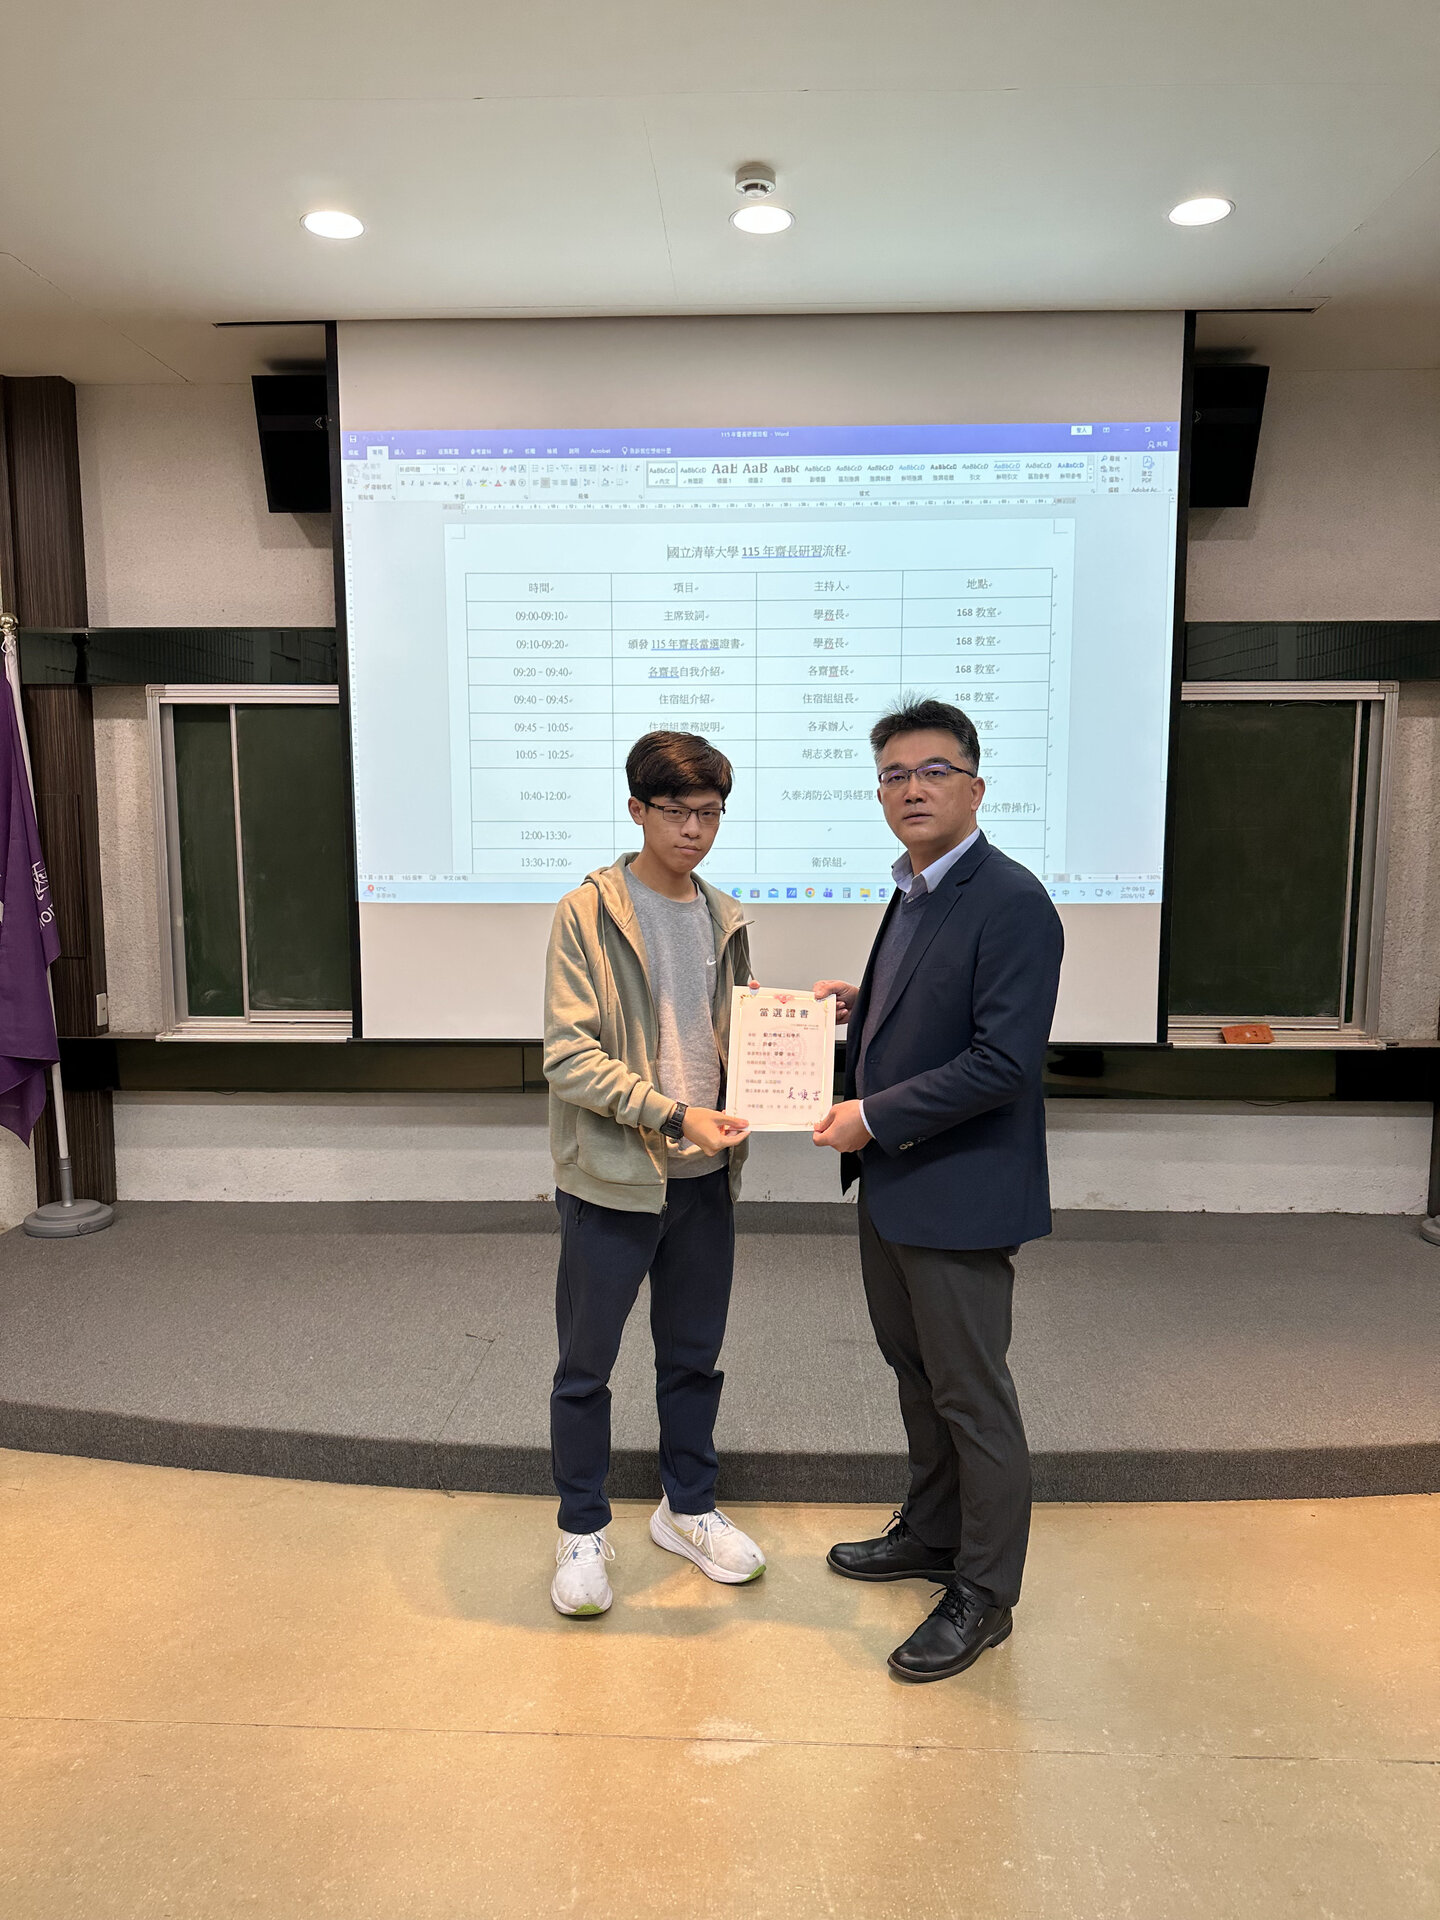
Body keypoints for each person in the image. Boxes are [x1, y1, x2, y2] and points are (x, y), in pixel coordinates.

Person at [811, 697, 1063, 1681]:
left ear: (976, 786)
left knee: (972, 1397)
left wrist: (870, 1116)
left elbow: (1002, 1061)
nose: (911, 788)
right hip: (896, 1188)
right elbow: (936, 1013)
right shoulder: (914, 889)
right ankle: (933, 1531)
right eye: (894, 775)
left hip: (958, 1192)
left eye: (933, 771)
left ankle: (984, 1594)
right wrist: (863, 1005)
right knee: (916, 1375)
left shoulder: (1010, 899)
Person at [542, 730, 765, 1617]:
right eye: (677, 811)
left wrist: (787, 1029)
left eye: (711, 813)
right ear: (637, 809)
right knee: (586, 1366)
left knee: (693, 1359)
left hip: (705, 1179)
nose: (695, 830)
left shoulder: (724, 915)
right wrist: (673, 1114)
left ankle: (688, 1508)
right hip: (613, 1178)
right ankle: (580, 1528)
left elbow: (728, 1032)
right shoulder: (586, 913)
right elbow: (570, 1058)